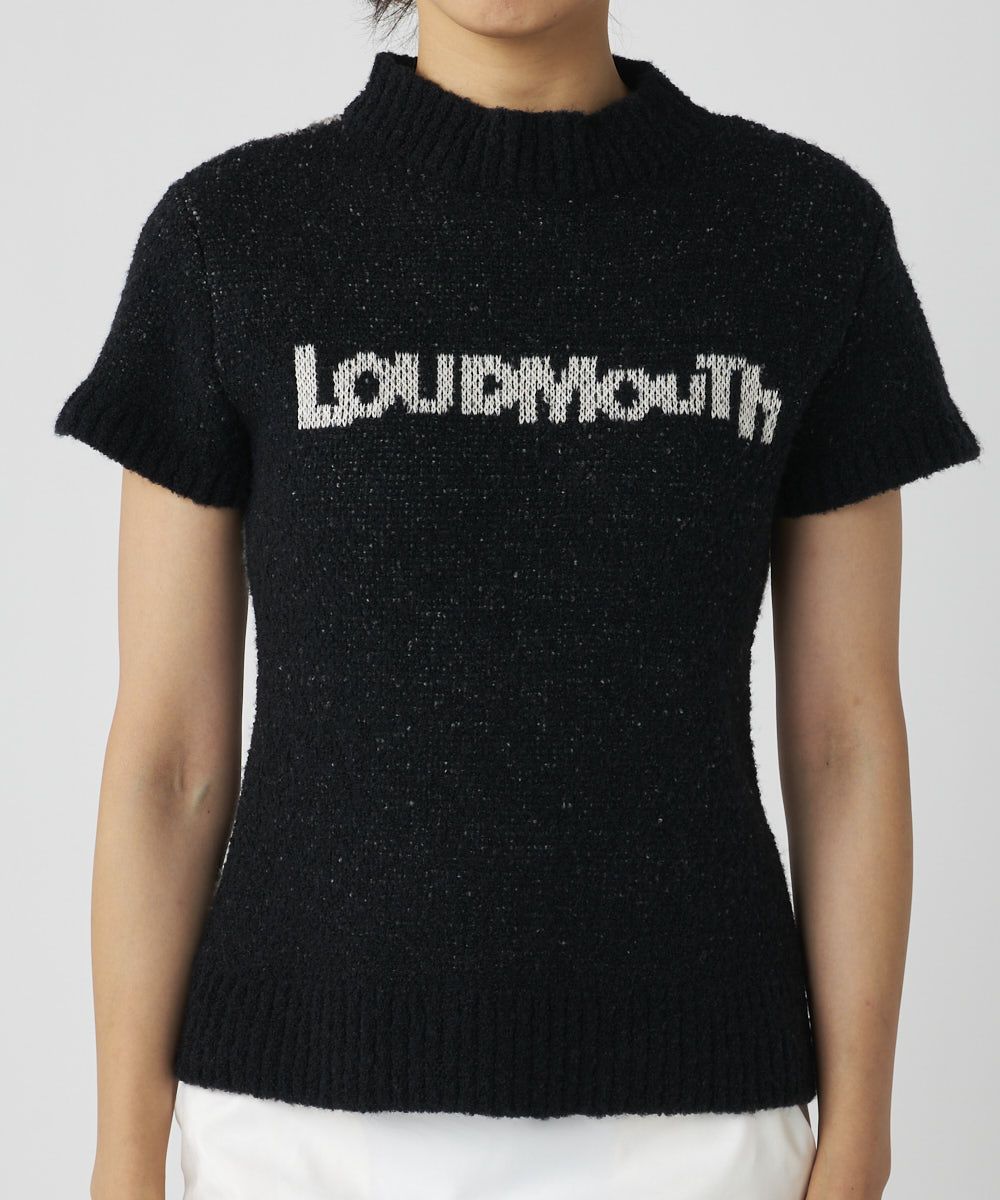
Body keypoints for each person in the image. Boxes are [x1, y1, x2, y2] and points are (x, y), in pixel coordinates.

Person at [53, 2, 982, 1199]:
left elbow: (845, 741)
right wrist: (125, 1154)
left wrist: (859, 1138)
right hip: (292, 1133)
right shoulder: (230, 237)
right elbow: (169, 761)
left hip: (696, 1135)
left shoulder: (805, 237)